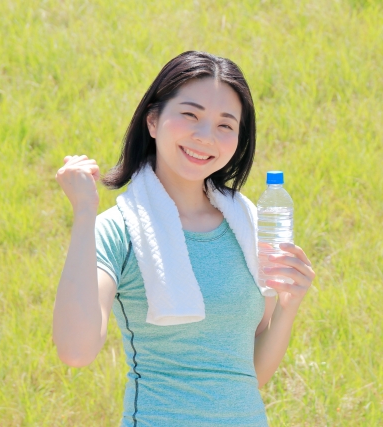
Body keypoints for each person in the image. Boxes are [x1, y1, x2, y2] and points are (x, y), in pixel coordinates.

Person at [52, 51, 316, 426]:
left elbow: (249, 374)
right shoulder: (119, 230)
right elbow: (76, 351)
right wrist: (84, 212)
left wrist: (288, 306)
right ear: (153, 120)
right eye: (190, 115)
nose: (205, 136)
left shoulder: (248, 223)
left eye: (225, 125)